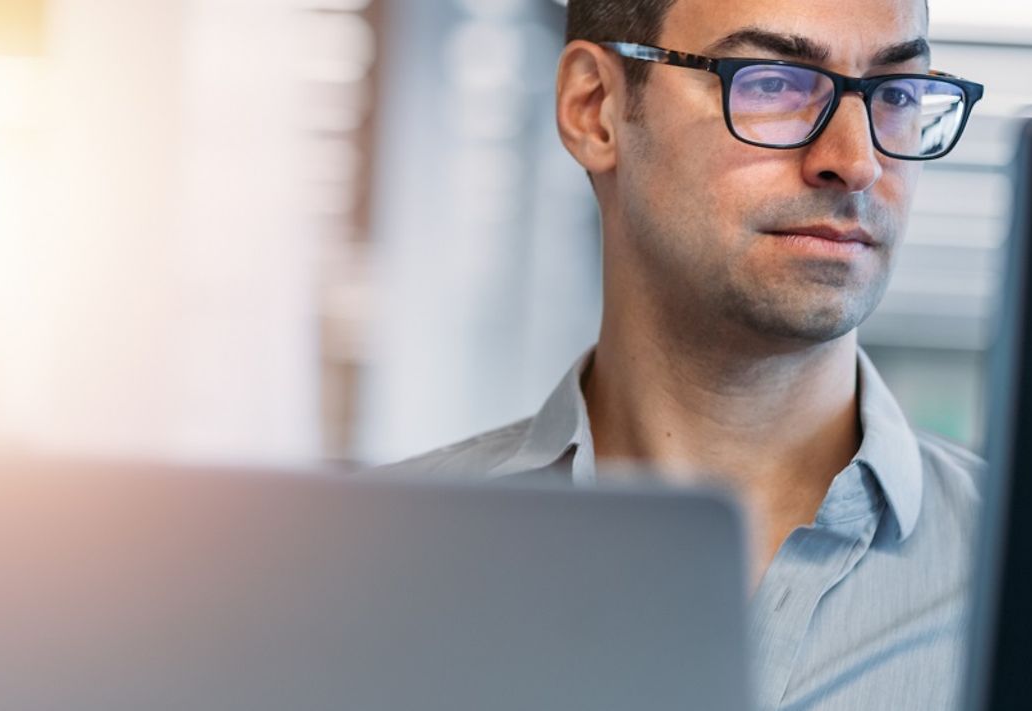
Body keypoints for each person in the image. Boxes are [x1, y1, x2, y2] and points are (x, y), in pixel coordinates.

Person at [373, 0, 987, 707]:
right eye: (774, 82)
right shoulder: (369, 571)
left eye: (897, 94)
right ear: (595, 107)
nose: (856, 161)